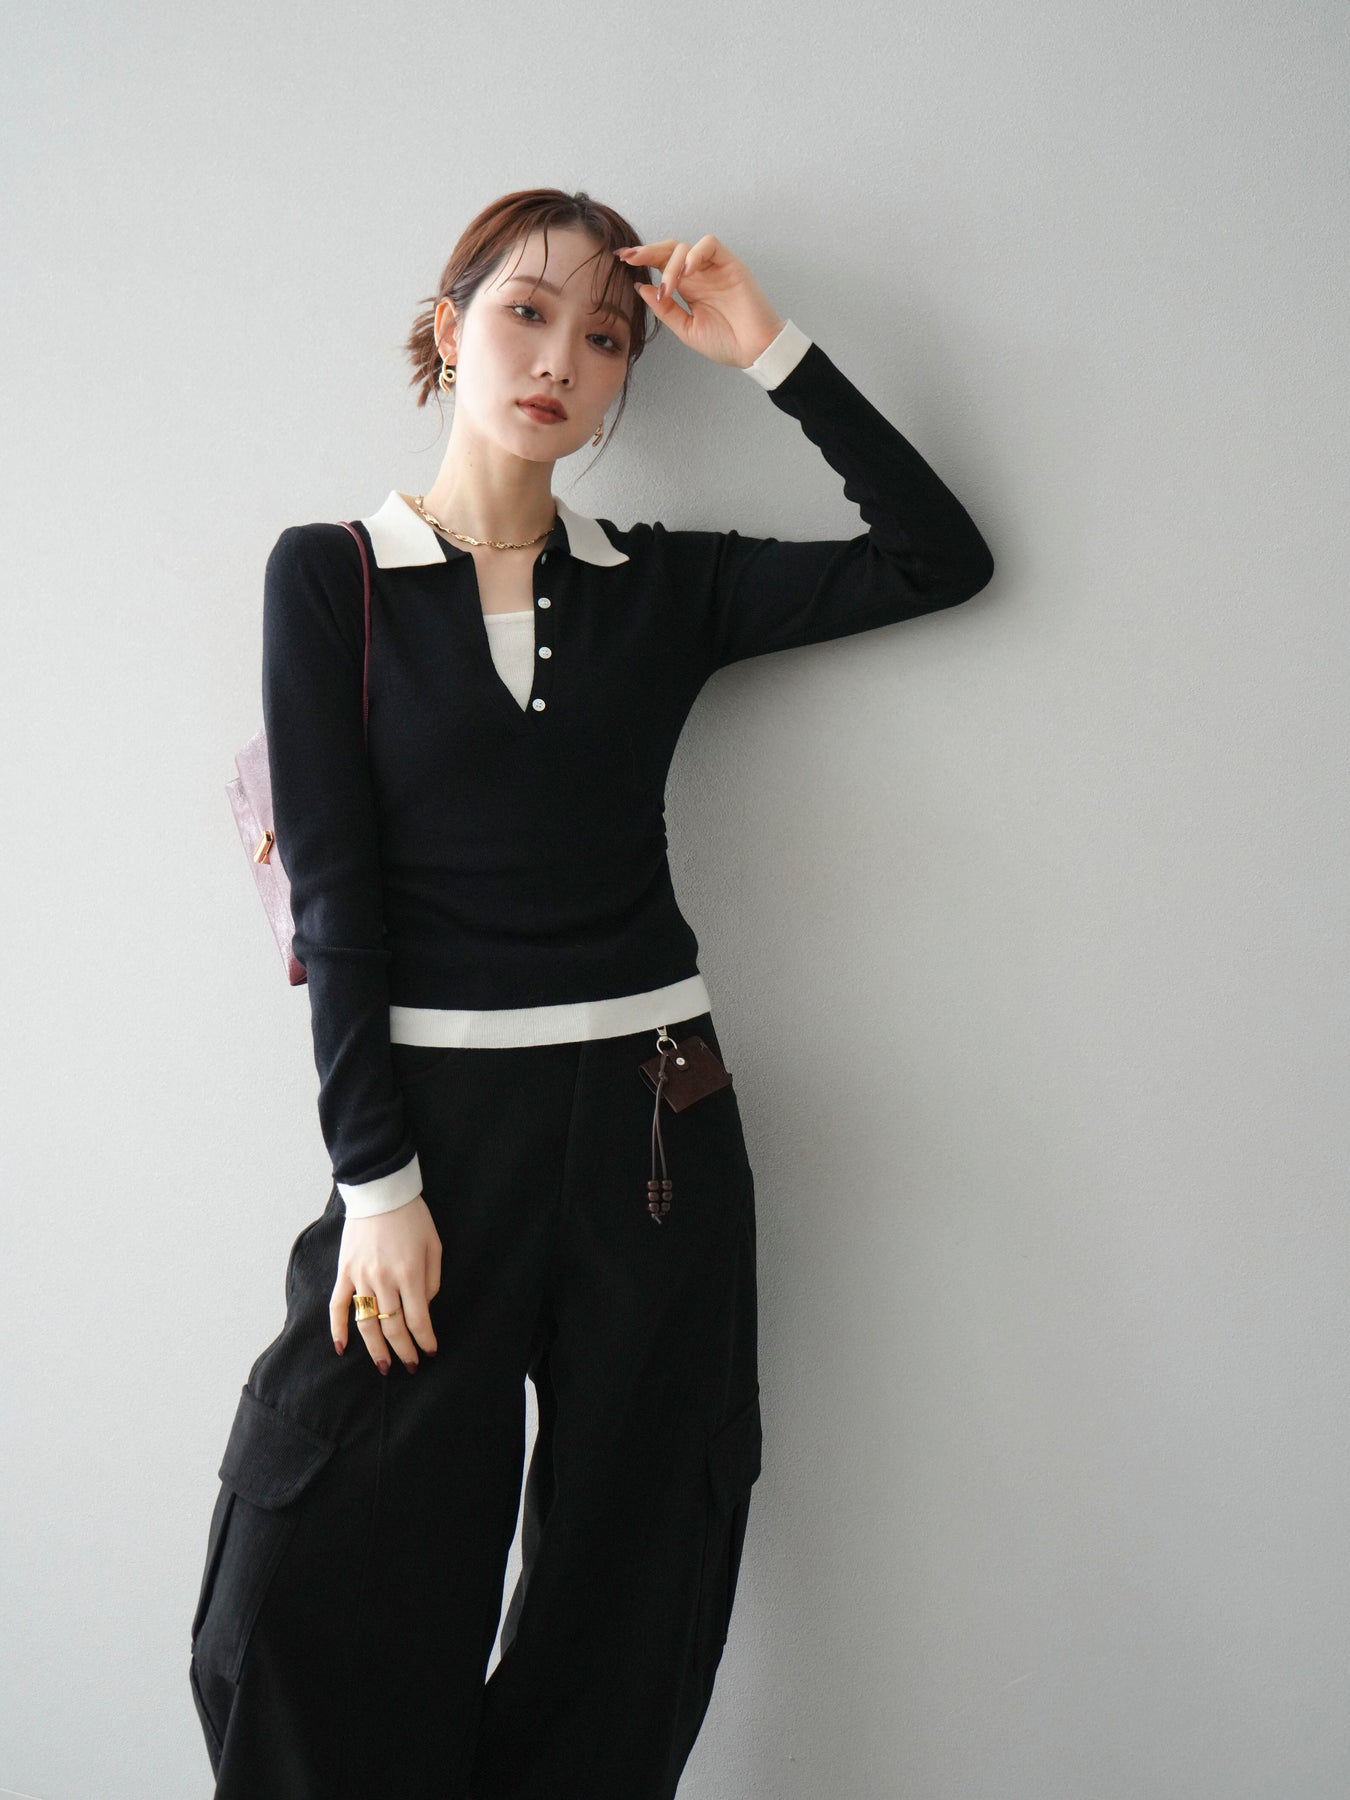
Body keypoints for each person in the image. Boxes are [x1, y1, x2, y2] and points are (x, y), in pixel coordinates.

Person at [188, 185, 994, 1799]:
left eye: (607, 338)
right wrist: (377, 1184)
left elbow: (938, 559)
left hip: (656, 1119)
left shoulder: (657, 584)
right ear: (449, 329)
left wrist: (763, 347)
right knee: (318, 1574)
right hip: (434, 1135)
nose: (562, 358)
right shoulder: (333, 575)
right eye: (526, 313)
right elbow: (337, 904)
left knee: (640, 1559)